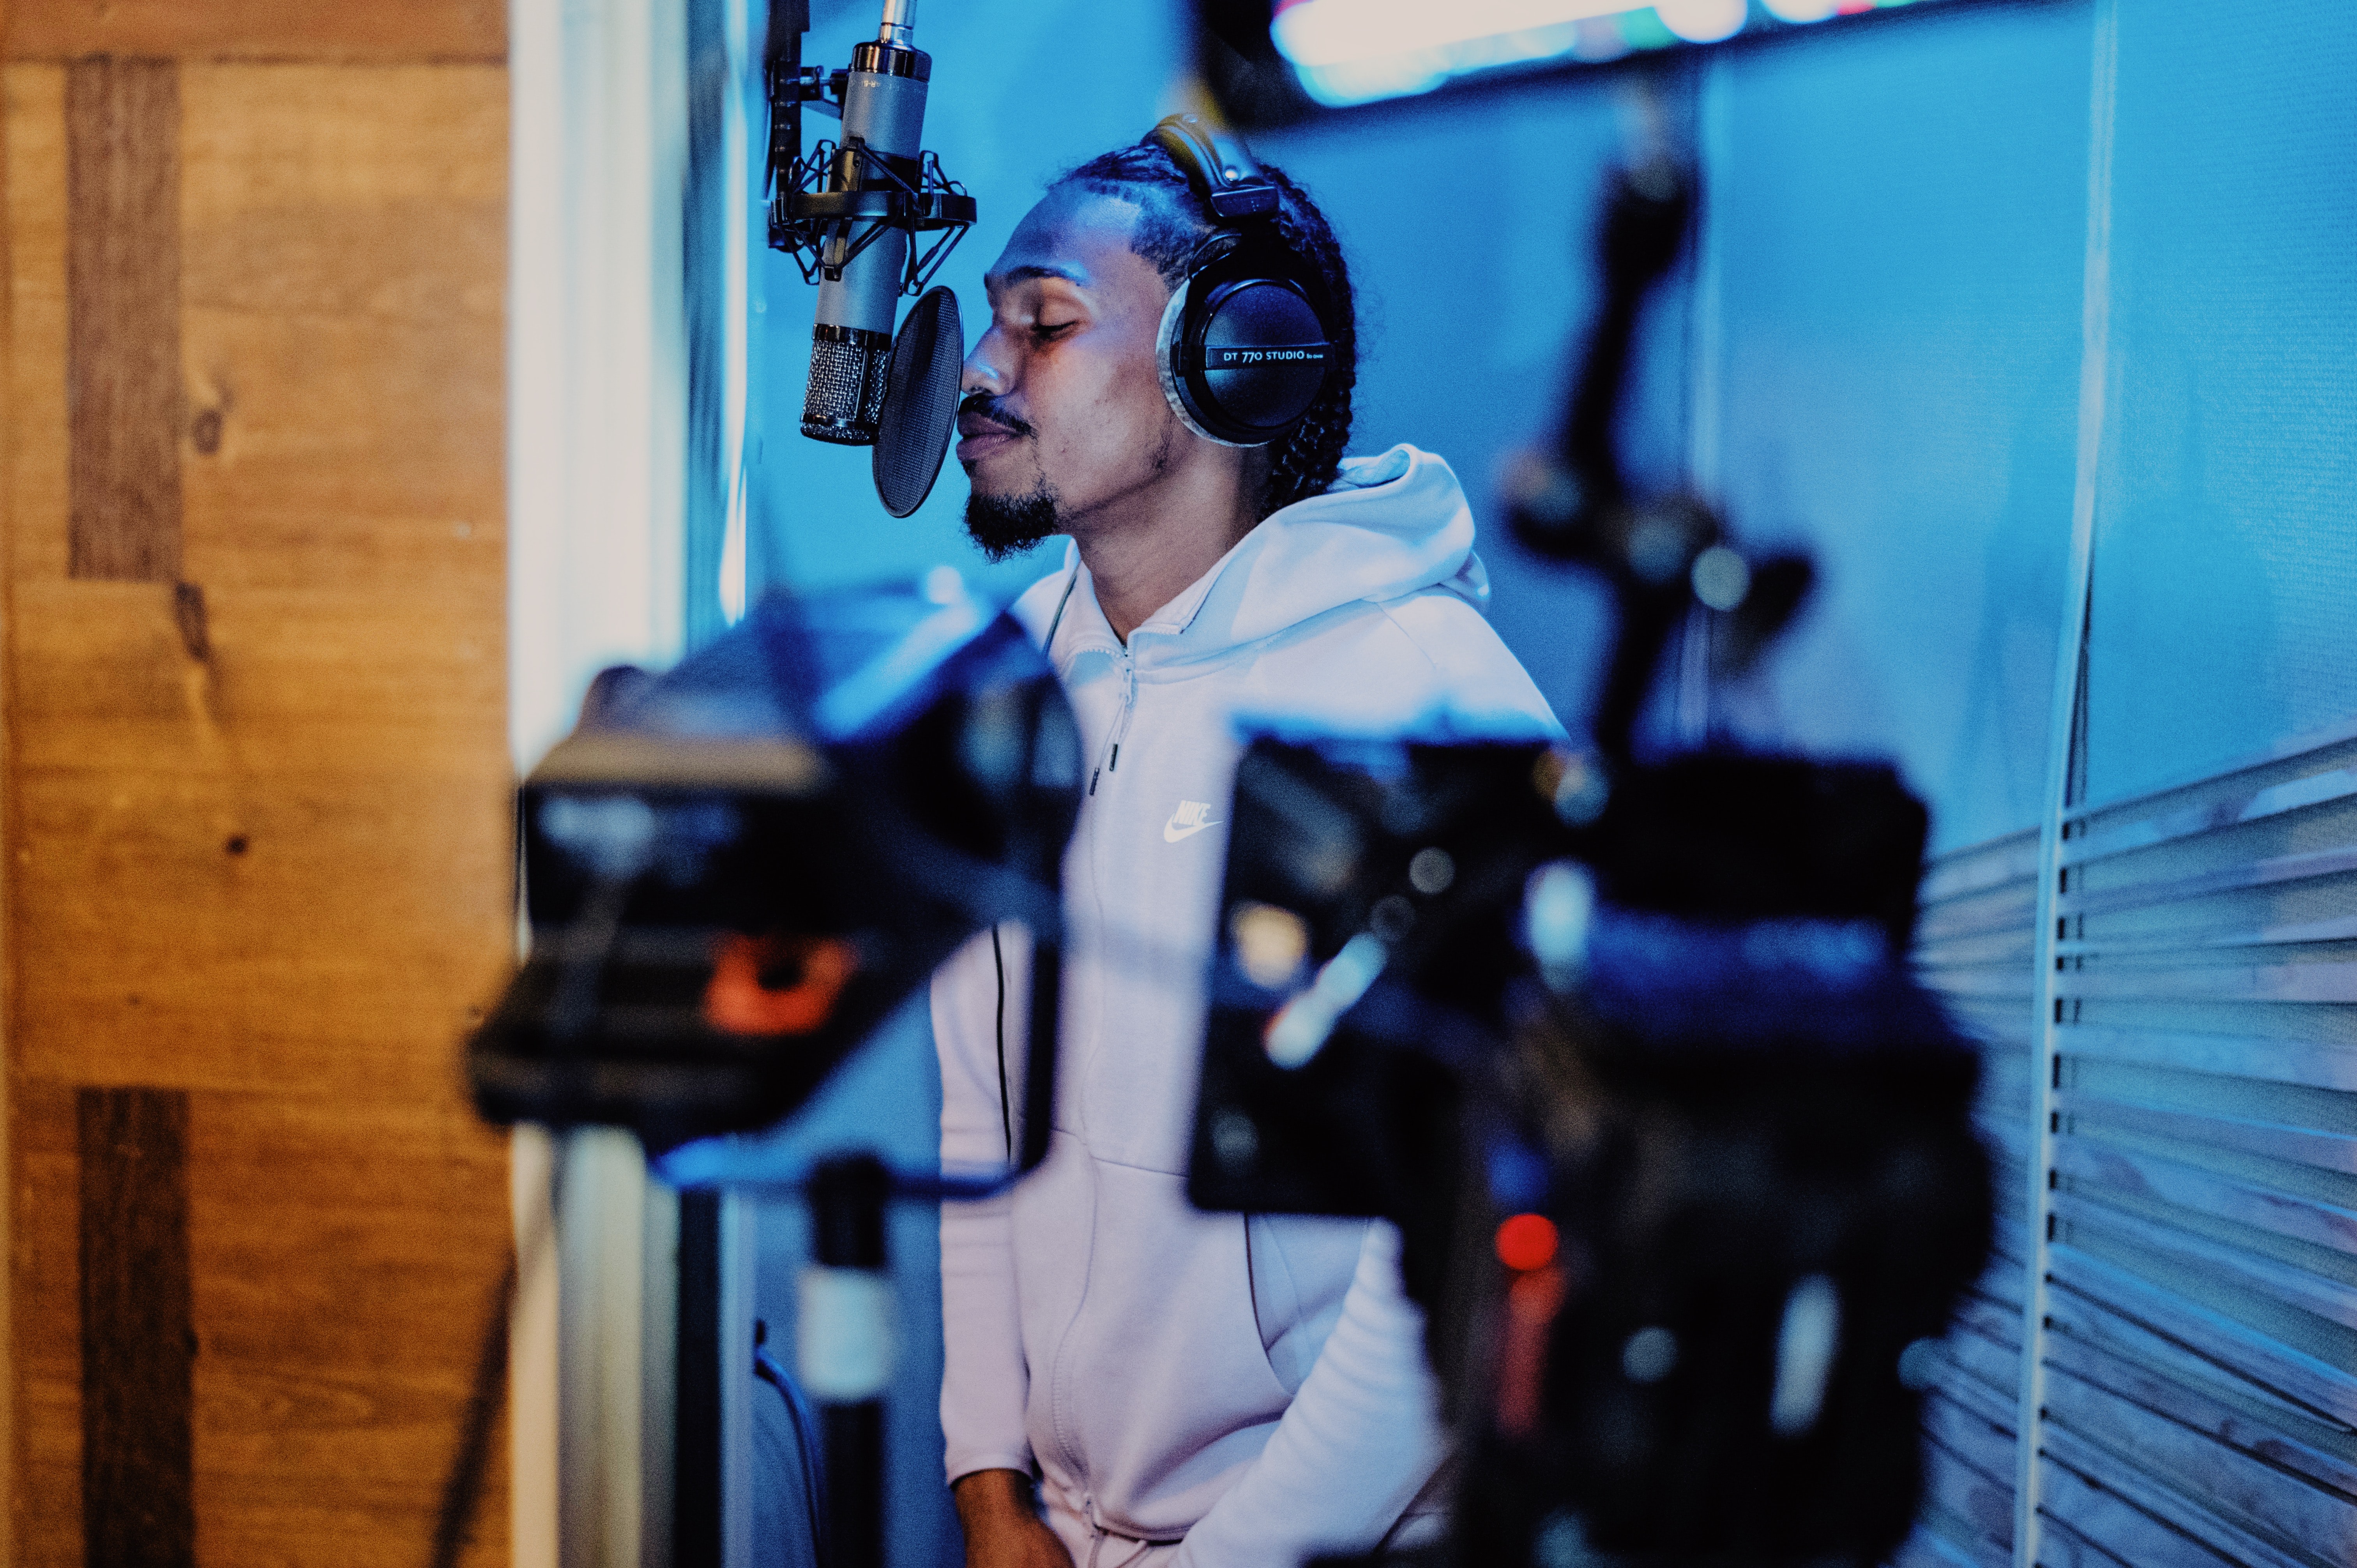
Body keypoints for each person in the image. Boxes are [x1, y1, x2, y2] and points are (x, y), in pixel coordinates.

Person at [933, 121, 1561, 1568]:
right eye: (989, 324)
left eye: (1046, 324)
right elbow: (982, 1116)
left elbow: (1460, 1248)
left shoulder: (1425, 705)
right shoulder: (1006, 682)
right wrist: (990, 1485)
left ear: (1238, 361)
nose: (979, 368)